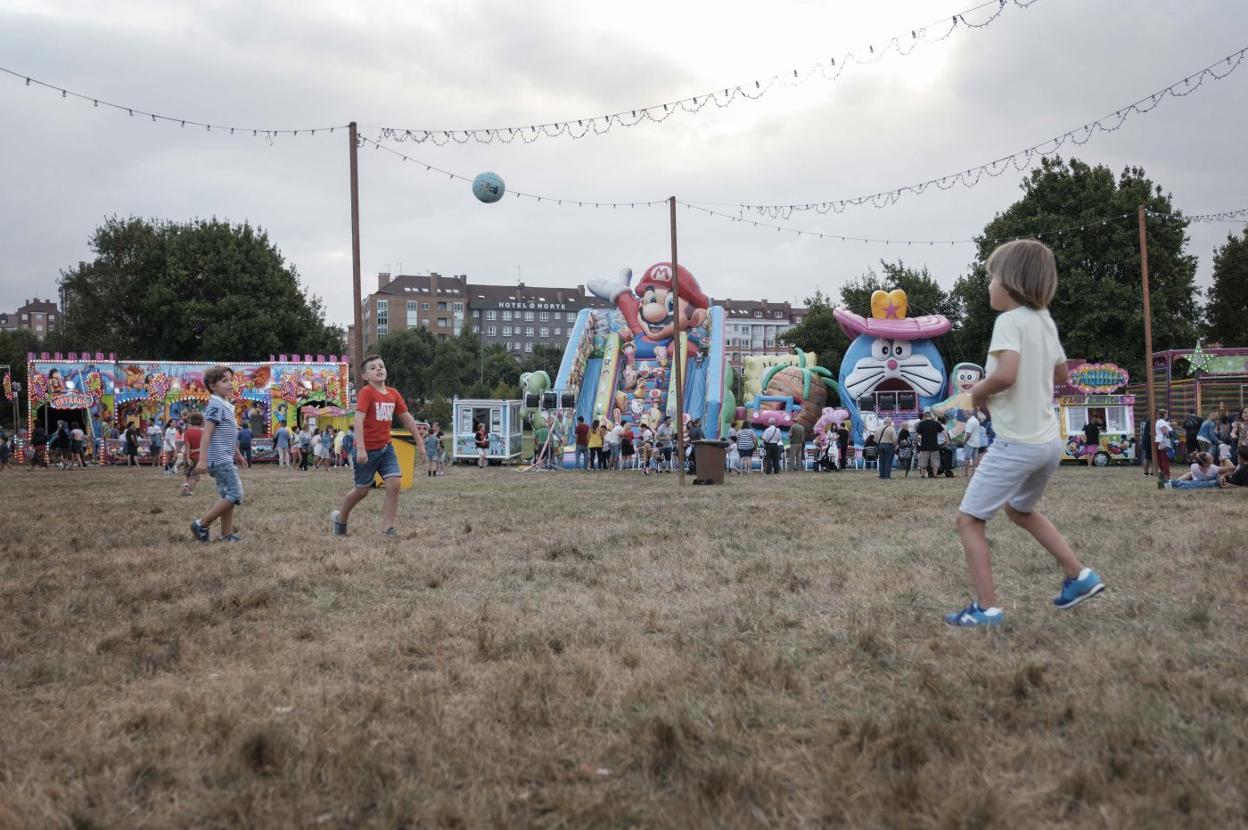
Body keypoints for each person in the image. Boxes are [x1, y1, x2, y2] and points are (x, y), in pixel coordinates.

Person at [946, 239, 1104, 628]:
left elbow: (1006, 374)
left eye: (992, 277)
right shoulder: (1044, 320)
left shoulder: (1009, 321)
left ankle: (987, 608)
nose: (988, 285)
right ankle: (1079, 575)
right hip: (1047, 443)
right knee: (1019, 510)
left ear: (1011, 283)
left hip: (1016, 443)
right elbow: (1061, 374)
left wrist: (977, 392)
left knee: (969, 520)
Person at [331, 356, 422, 537]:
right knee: (362, 491)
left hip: (386, 448)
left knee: (394, 484)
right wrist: (362, 448)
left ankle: (387, 528)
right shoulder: (367, 392)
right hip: (366, 450)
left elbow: (407, 418)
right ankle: (340, 519)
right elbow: (358, 420)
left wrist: (420, 442)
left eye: (381, 366)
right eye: (373, 368)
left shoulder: (393, 393)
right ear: (365, 376)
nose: (379, 369)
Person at [190, 366, 248, 543]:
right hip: (219, 459)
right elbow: (207, 433)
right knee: (235, 494)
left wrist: (237, 453)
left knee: (228, 496)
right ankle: (202, 523)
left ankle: (227, 534)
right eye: (224, 381)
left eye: (230, 380)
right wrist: (202, 459)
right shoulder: (215, 405)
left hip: (225, 456)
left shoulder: (224, 405)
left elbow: (227, 434)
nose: (230, 384)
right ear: (212, 386)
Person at [915, 410, 943, 479]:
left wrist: (916, 442)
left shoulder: (921, 424)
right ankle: (935, 475)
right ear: (931, 416)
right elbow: (942, 431)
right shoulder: (936, 423)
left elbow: (917, 434)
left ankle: (922, 475)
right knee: (935, 462)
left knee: (923, 462)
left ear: (924, 416)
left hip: (924, 446)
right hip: (934, 445)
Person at [181, 412, 204, 496]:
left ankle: (185, 485)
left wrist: (187, 458)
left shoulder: (187, 432)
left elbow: (187, 445)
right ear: (201, 422)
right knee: (195, 475)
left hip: (188, 455)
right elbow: (204, 446)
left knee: (186, 473)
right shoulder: (203, 433)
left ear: (190, 421)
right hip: (198, 456)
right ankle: (190, 491)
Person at [963, 411, 986, 477]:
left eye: (965, 414)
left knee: (967, 458)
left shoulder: (970, 422)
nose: (965, 416)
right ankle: (973, 473)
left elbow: (968, 434)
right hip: (976, 442)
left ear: (969, 414)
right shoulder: (976, 421)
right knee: (975, 458)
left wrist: (964, 441)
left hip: (969, 442)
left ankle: (966, 473)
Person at [1154, 408, 1173, 483]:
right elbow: (1164, 432)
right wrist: (1171, 432)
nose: (1167, 416)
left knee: (1161, 459)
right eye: (1166, 414)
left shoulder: (1159, 421)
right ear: (1164, 414)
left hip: (1159, 441)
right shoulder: (1162, 422)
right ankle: (1166, 476)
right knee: (1164, 459)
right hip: (1162, 442)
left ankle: (1163, 475)